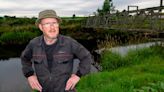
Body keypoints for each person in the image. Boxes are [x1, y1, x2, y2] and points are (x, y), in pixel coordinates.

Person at [21, 9, 92, 92]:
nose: (52, 27)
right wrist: (29, 75)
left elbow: (86, 57)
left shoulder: (69, 42)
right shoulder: (34, 44)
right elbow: (24, 58)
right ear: (41, 27)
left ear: (58, 25)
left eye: (54, 23)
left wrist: (78, 75)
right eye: (47, 23)